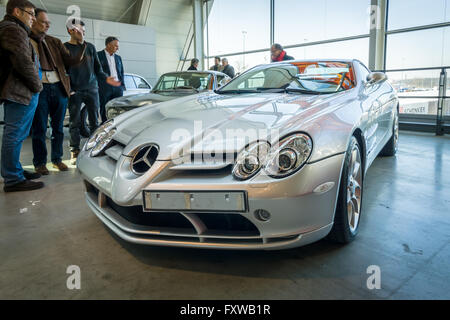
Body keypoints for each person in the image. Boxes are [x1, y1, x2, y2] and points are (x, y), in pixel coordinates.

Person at [30, 8, 86, 175]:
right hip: (39, 88)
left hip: (59, 88)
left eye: (49, 23)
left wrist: (81, 43)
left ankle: (57, 159)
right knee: (39, 128)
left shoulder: (54, 41)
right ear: (33, 20)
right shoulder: (26, 40)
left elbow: (71, 60)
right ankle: (40, 162)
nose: (47, 25)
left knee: (58, 128)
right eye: (44, 22)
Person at [0, 0, 44, 192]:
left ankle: (14, 170)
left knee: (17, 134)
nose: (33, 18)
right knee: (15, 134)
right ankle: (13, 178)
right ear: (17, 11)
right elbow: (23, 61)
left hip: (22, 90)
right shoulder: (13, 29)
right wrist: (37, 86)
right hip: (21, 90)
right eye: (31, 13)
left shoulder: (17, 29)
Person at [64, 20, 120, 164]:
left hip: (92, 90)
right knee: (74, 123)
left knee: (95, 122)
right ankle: (74, 151)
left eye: (84, 31)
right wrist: (69, 90)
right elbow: (63, 71)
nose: (83, 33)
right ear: (71, 31)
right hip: (75, 92)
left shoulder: (90, 47)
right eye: (80, 30)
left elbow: (98, 70)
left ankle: (95, 148)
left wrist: (109, 79)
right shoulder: (64, 48)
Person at [97, 36, 125, 124]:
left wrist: (122, 85)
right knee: (104, 108)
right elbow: (95, 72)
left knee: (118, 109)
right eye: (116, 46)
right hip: (104, 87)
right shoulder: (98, 55)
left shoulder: (118, 58)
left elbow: (121, 72)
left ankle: (116, 125)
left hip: (117, 87)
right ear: (108, 45)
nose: (118, 48)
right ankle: (105, 127)